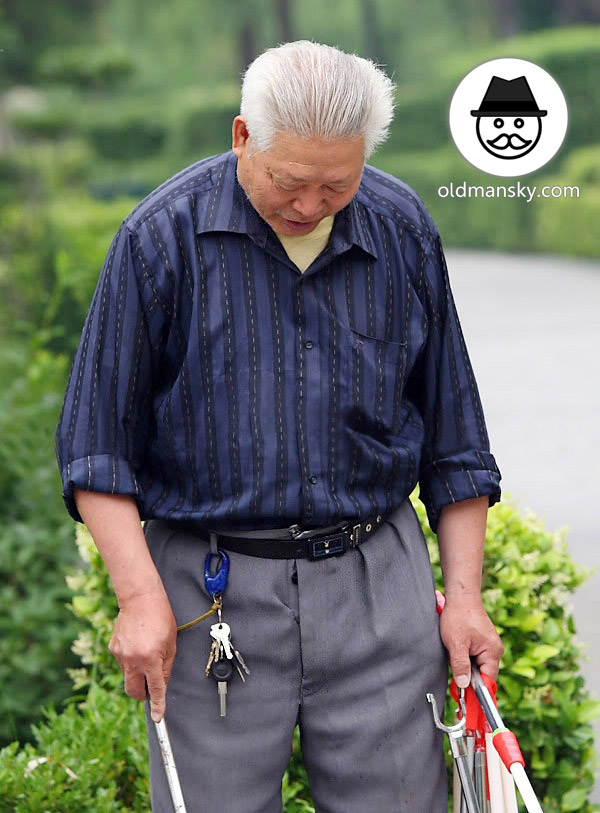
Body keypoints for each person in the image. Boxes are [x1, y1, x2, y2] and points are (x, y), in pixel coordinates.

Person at [56, 40, 503, 812]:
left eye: (336, 185)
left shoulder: (401, 229)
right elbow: (96, 449)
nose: (308, 206)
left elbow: (456, 441)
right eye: (289, 182)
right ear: (242, 137)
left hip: (378, 582)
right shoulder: (160, 239)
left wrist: (465, 598)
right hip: (212, 590)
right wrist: (138, 599)